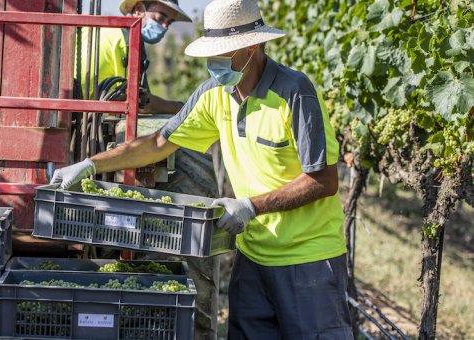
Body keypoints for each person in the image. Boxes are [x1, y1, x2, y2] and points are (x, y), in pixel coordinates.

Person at [57, 0, 353, 338]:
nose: (214, 62)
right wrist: (91, 164)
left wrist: (251, 206)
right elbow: (158, 143)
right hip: (253, 258)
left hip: (308, 261)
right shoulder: (215, 94)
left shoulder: (294, 92)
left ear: (252, 46)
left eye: (222, 53)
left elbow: (324, 181)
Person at [77, 0, 188, 113]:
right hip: (85, 114)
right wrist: (180, 107)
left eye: (169, 23)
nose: (164, 26)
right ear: (139, 10)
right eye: (160, 18)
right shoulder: (130, 40)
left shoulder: (93, 29)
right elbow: (141, 102)